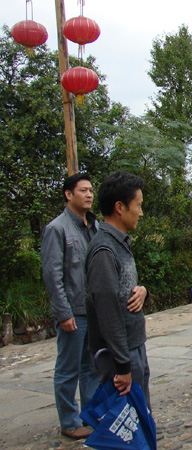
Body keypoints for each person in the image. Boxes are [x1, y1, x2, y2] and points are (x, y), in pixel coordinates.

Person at [41, 173, 98, 439]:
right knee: (68, 369)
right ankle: (69, 421)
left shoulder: (94, 226)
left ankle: (90, 415)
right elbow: (52, 274)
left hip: (93, 310)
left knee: (91, 367)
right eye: (83, 190)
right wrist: (63, 313)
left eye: (91, 190)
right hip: (73, 312)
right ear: (68, 194)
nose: (89, 195)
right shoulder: (57, 229)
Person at [85, 171, 150, 407]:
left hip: (133, 347)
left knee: (141, 416)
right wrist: (123, 366)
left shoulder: (118, 243)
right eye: (138, 205)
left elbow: (122, 291)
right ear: (120, 207)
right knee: (130, 421)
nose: (141, 213)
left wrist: (143, 292)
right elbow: (107, 311)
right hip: (120, 357)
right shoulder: (104, 250)